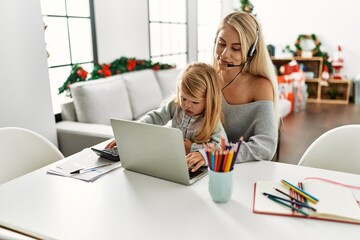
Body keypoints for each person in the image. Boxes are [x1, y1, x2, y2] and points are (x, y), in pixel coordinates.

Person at [186, 11, 280, 171]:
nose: (224, 54)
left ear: (251, 52)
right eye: (221, 44)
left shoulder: (260, 86)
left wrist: (210, 154)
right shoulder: (207, 79)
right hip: (203, 168)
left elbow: (266, 146)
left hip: (244, 172)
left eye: (236, 49)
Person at [106, 62, 227, 171]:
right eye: (183, 98)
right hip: (171, 161)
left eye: (195, 102)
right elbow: (154, 118)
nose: (187, 105)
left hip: (194, 168)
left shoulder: (212, 120)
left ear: (209, 100)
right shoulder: (175, 106)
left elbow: (222, 148)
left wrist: (194, 149)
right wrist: (130, 133)